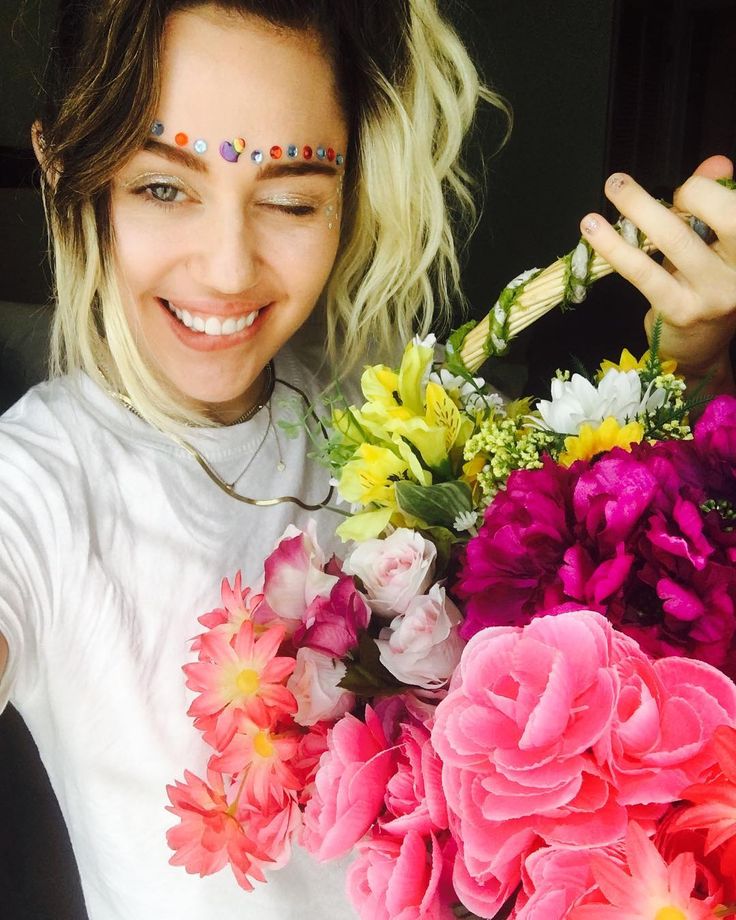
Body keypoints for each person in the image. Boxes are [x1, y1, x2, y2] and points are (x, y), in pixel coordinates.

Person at [0, 1, 734, 918]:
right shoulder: (37, 486)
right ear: (65, 172)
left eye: (291, 201)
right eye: (163, 188)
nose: (228, 269)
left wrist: (688, 367)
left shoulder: (397, 415)